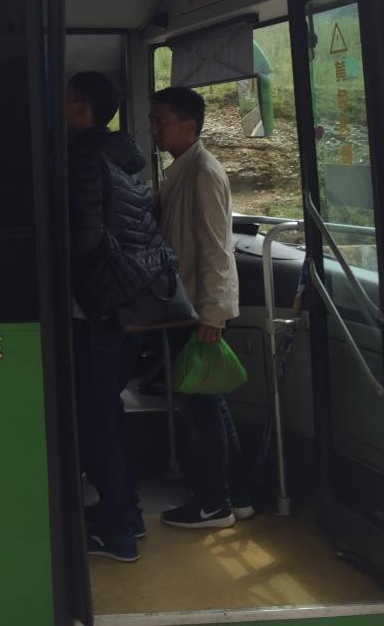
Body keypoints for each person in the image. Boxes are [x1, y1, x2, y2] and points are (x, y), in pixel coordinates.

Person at [67, 71, 176, 563]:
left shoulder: (83, 156)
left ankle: (117, 533)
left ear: (82, 109)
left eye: (66, 102)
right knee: (106, 410)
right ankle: (125, 514)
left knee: (95, 416)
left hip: (97, 307)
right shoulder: (122, 157)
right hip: (128, 302)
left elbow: (85, 235)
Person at [149, 85, 249, 529]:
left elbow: (216, 249)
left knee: (200, 409)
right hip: (190, 304)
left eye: (161, 121)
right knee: (210, 404)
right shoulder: (183, 170)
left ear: (189, 125)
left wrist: (213, 313)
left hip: (197, 309)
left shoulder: (203, 173)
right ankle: (236, 496)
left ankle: (213, 504)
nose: (154, 129)